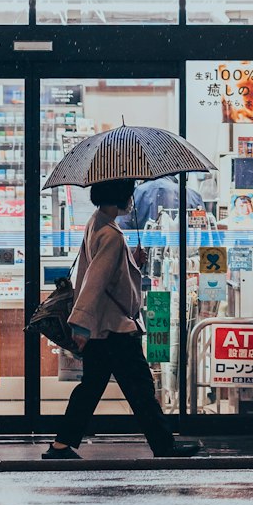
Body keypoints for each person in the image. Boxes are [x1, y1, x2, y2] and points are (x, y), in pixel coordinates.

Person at [42, 176, 202, 461]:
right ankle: (164, 446)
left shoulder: (97, 223)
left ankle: (61, 445)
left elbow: (103, 273)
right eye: (129, 193)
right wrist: (80, 323)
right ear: (120, 196)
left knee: (92, 389)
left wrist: (132, 261)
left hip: (103, 330)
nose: (132, 199)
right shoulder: (112, 235)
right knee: (140, 388)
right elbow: (95, 280)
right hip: (114, 328)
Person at [117, 175, 205, 229]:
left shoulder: (134, 194)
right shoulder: (192, 195)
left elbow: (124, 227)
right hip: (182, 255)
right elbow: (203, 232)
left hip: (142, 255)